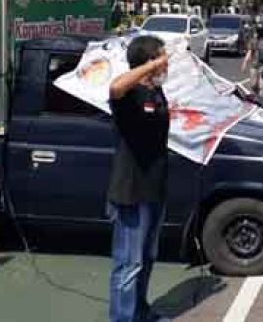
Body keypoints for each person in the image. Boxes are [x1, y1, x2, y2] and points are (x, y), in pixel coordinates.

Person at [106, 36, 171, 322]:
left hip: (155, 188)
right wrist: (152, 65)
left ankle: (140, 312)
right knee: (129, 262)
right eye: (162, 58)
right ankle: (123, 317)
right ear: (149, 62)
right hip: (132, 191)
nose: (166, 64)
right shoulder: (129, 94)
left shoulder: (156, 92)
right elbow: (115, 87)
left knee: (147, 257)